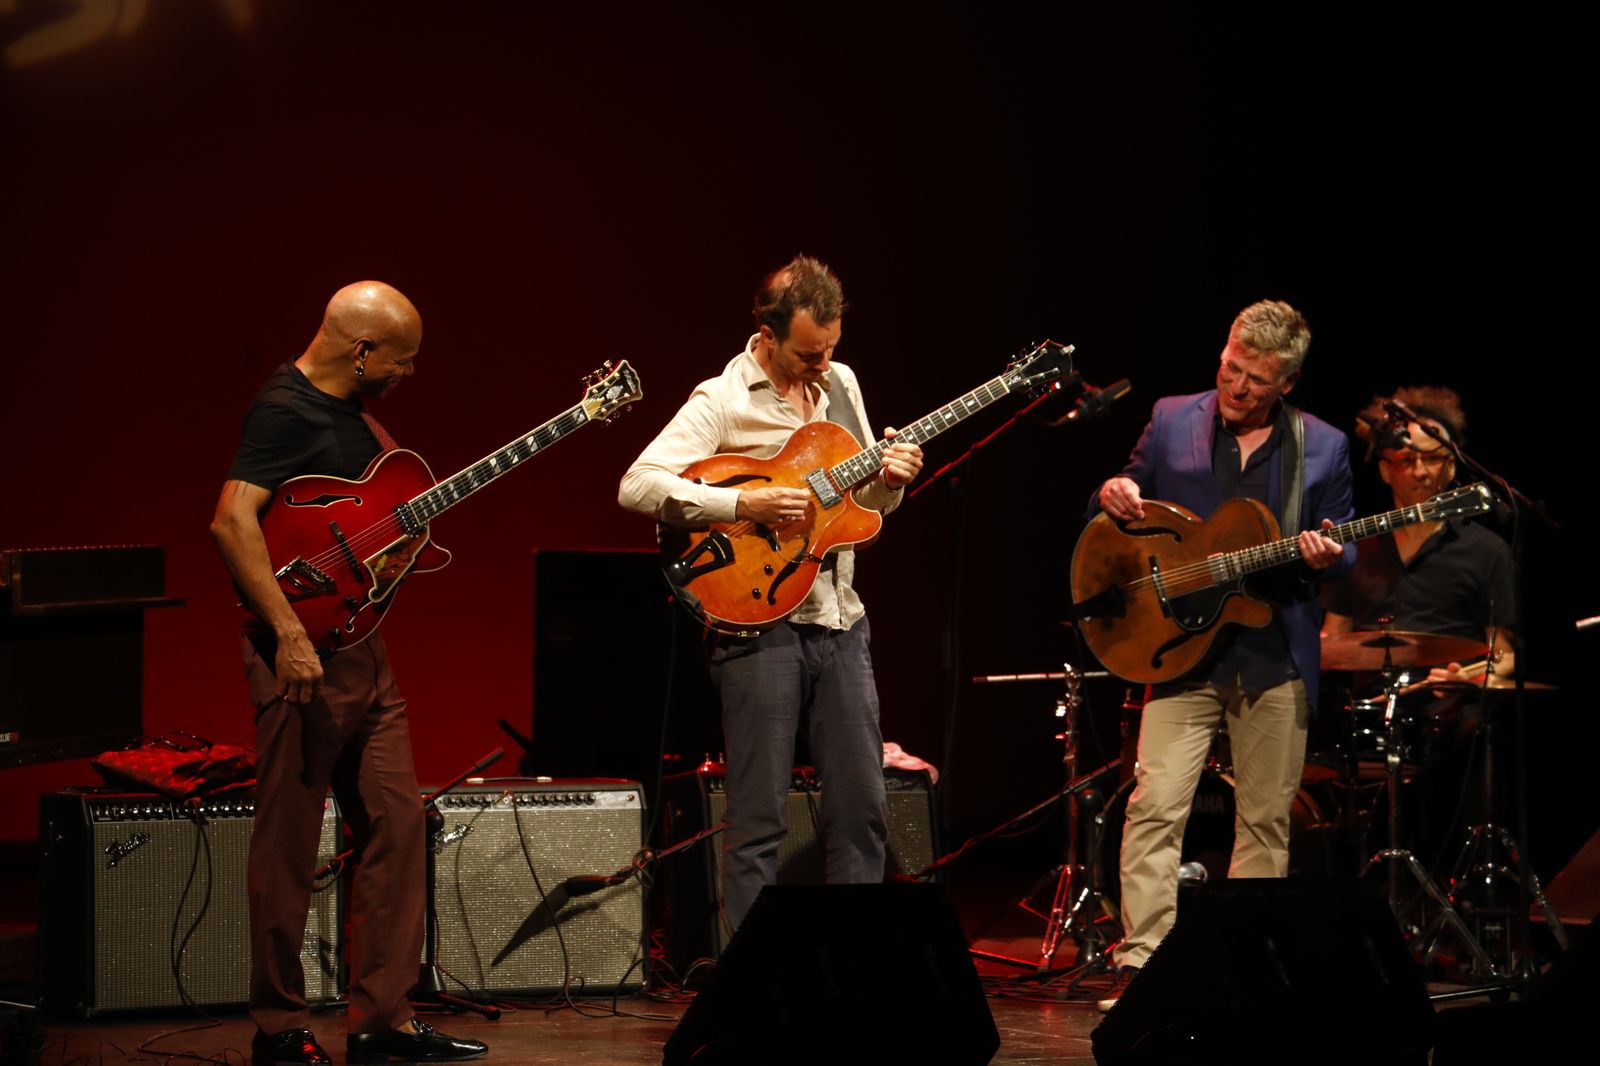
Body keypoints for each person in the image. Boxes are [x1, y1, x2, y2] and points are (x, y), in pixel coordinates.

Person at [211, 282, 488, 1066]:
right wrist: (288, 633)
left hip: (364, 650)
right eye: (399, 361)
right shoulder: (284, 409)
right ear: (361, 350)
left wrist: (397, 555)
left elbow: (362, 535)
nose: (407, 374)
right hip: (298, 657)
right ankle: (279, 1029)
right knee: (288, 846)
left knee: (399, 825)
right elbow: (232, 522)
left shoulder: (359, 420)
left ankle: (383, 1021)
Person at [618, 255, 923, 933]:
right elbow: (637, 485)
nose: (822, 366)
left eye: (831, 350)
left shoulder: (842, 382)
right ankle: (753, 997)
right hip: (759, 627)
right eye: (809, 353)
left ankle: (849, 972)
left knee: (862, 813)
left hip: (842, 621)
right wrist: (740, 506)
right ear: (766, 332)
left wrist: (892, 478)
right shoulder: (721, 398)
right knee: (758, 820)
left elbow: (863, 508)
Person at [1089, 299, 1354, 1010]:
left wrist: (1329, 554)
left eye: (1255, 383)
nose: (1236, 390)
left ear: (1287, 384)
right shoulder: (1173, 415)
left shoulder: (1322, 446)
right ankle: (1146, 967)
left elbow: (1347, 545)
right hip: (1179, 649)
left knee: (1265, 822)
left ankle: (1240, 975)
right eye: (1231, 370)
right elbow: (1119, 498)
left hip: (1272, 654)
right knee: (1154, 806)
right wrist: (1112, 494)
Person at [1321, 387, 1514, 866]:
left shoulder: (1487, 551)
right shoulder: (1358, 548)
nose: (1422, 472)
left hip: (1450, 712)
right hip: (1364, 713)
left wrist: (1468, 679)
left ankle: (1461, 876)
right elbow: (1329, 640)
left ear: (1452, 466)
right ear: (1385, 468)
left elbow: (1505, 657)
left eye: (1434, 460)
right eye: (1406, 460)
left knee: (1476, 732)